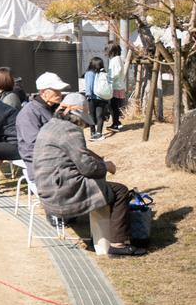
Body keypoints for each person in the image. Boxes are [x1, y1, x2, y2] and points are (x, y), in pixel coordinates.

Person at [33, 93, 147, 258]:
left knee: (106, 188)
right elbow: (87, 169)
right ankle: (118, 245)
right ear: (77, 117)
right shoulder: (71, 130)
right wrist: (106, 166)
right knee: (120, 191)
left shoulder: (50, 125)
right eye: (83, 121)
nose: (83, 125)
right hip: (62, 193)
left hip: (46, 192)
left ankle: (111, 238)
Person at [16, 72, 69, 183]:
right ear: (43, 92)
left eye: (60, 90)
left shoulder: (55, 109)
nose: (60, 94)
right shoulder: (29, 112)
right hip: (43, 168)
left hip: (60, 162)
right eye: (56, 90)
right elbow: (34, 146)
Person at [84, 57, 109, 141]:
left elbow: (88, 85)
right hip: (102, 96)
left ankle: (93, 132)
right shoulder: (103, 73)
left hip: (92, 97)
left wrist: (88, 94)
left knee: (91, 115)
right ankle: (99, 133)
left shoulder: (89, 73)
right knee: (100, 115)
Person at [105, 41, 126, 132]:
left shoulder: (115, 60)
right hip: (118, 85)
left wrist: (108, 78)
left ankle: (115, 123)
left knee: (113, 106)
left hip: (115, 86)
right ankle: (116, 122)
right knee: (114, 105)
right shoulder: (117, 59)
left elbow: (115, 73)